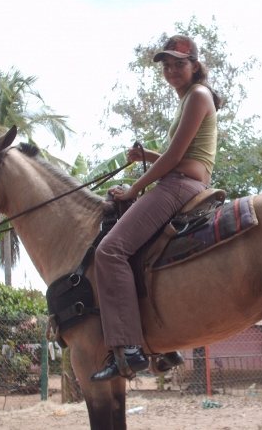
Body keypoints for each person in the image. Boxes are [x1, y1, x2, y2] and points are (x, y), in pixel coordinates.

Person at [91, 35, 222, 381]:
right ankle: (164, 346)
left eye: (179, 63)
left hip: (180, 184)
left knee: (109, 252)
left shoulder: (197, 95)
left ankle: (128, 349)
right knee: (135, 248)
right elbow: (181, 152)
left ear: (195, 65)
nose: (171, 70)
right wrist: (146, 156)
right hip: (182, 179)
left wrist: (134, 187)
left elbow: (178, 158)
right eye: (166, 65)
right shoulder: (190, 99)